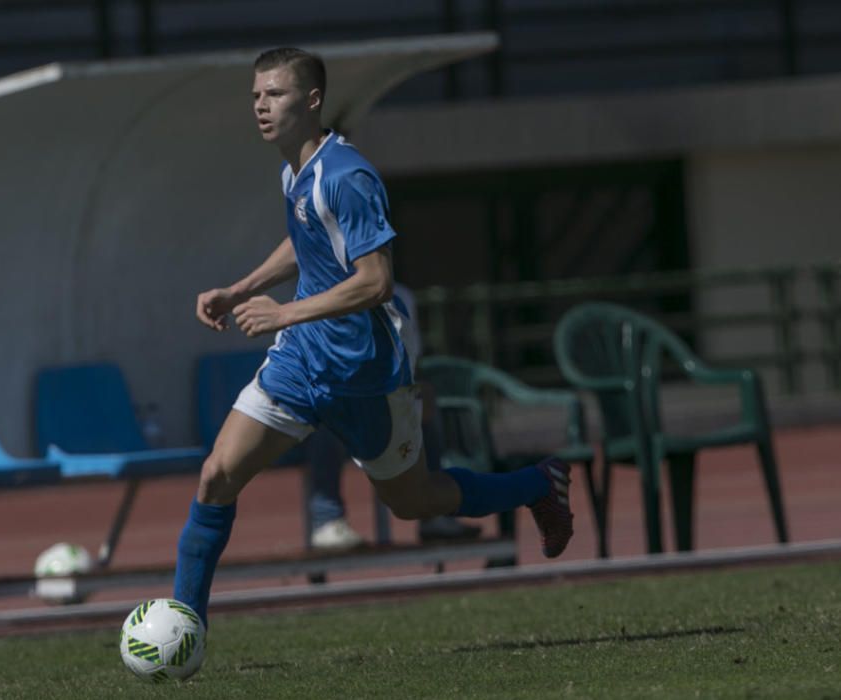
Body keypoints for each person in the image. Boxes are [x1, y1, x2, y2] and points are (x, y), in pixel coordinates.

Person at [174, 47, 573, 627]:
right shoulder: (296, 169)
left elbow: (376, 281)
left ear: (312, 101)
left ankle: (538, 482)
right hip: (302, 363)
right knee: (217, 475)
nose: (261, 106)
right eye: (256, 96)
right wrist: (240, 289)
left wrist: (283, 314)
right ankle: (185, 627)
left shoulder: (348, 175)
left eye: (276, 95)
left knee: (414, 503)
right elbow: (308, 236)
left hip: (364, 372)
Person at [307, 284, 481, 551]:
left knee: (426, 402)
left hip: (387, 395)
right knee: (324, 417)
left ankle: (433, 514)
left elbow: (412, 362)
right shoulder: (322, 292)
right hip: (340, 396)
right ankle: (327, 519)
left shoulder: (402, 296)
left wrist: (415, 388)